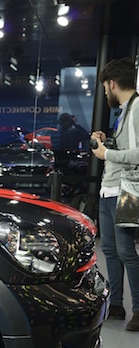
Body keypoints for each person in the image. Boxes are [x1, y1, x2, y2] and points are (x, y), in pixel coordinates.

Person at [91, 57, 139, 331]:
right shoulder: (126, 110)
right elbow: (126, 149)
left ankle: (138, 310)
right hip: (110, 190)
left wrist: (106, 153)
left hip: (126, 191)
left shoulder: (137, 108)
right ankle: (117, 306)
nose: (105, 93)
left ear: (112, 84)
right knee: (110, 250)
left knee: (125, 251)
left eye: (105, 88)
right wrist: (107, 142)